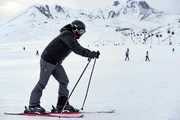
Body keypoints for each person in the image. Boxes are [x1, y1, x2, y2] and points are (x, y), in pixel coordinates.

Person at [25, 20, 100, 114]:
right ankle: (33, 106)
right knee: (42, 83)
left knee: (64, 81)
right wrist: (89, 54)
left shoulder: (71, 37)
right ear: (75, 28)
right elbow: (75, 48)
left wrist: (90, 53)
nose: (81, 34)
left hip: (56, 63)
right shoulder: (66, 35)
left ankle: (61, 104)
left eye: (83, 32)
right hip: (47, 61)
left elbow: (78, 47)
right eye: (81, 31)